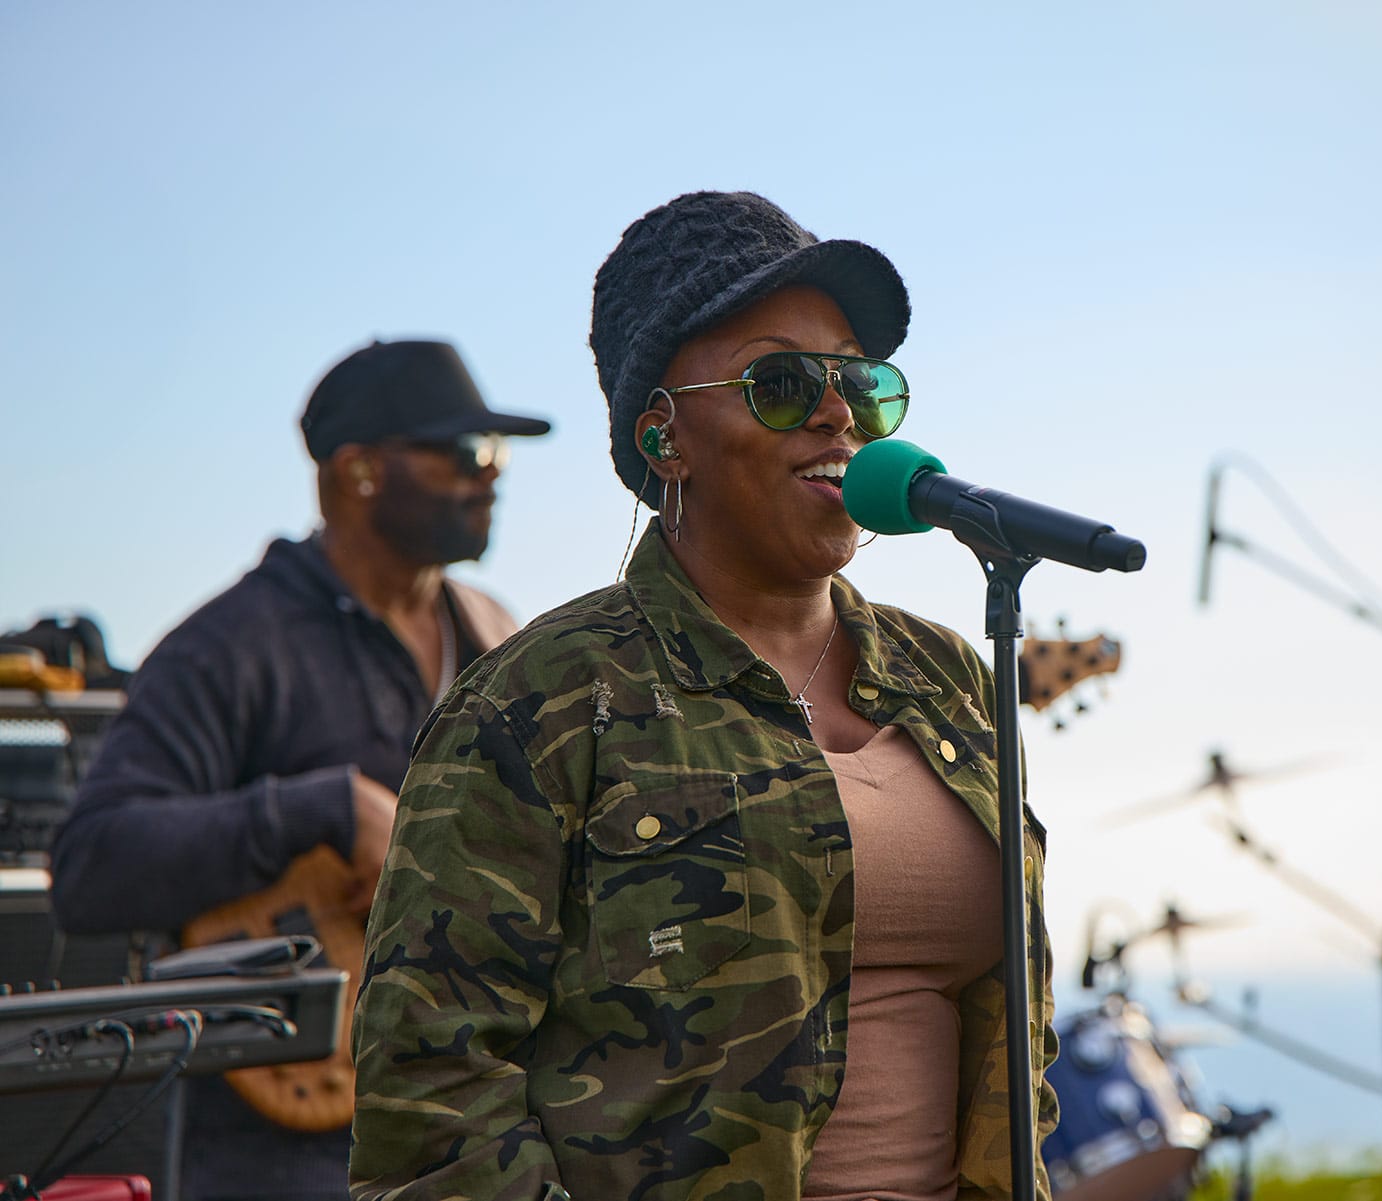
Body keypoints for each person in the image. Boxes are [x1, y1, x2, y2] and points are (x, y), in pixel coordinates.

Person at [349, 191, 1059, 1201]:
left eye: (858, 380)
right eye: (780, 382)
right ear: (664, 437)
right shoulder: (540, 697)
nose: (836, 411)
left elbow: (1013, 1050)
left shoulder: (946, 676)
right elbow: (430, 1091)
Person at [50, 339, 551, 1201]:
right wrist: (324, 809)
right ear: (357, 471)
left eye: (498, 453)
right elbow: (92, 862)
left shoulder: (496, 635)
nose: (491, 475)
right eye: (463, 453)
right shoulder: (233, 646)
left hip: (475, 1125)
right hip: (285, 1154)